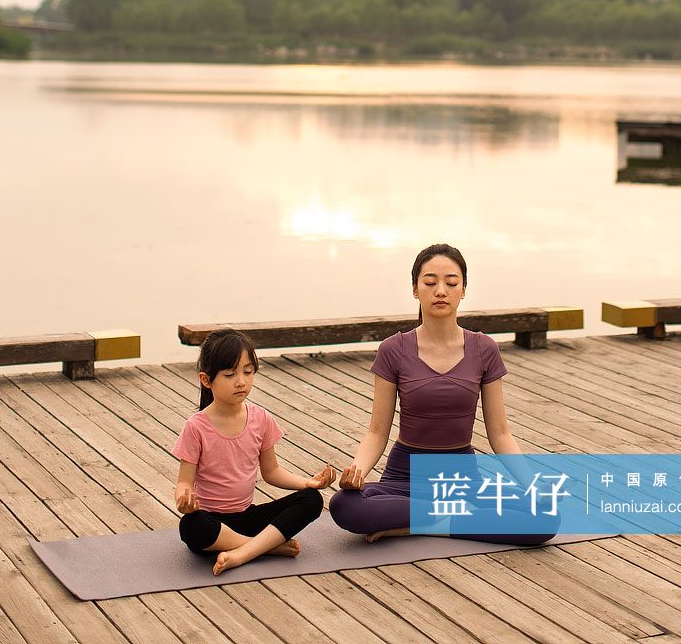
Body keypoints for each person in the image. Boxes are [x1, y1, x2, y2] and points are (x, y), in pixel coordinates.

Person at [329, 243, 554, 546]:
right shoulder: (393, 350)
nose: (440, 291)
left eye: (451, 282)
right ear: (415, 289)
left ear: (463, 290)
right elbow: (376, 432)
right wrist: (357, 472)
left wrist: (531, 484)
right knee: (344, 505)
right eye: (430, 282)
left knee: (545, 518)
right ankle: (453, 517)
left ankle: (417, 524)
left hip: (463, 482)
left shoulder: (484, 349)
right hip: (403, 480)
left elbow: (500, 433)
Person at [172, 328, 336, 574]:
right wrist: (184, 502)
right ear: (206, 380)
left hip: (249, 519)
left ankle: (244, 551)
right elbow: (184, 482)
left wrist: (307, 482)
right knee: (190, 526)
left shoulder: (261, 418)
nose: (241, 381)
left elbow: (272, 472)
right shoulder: (196, 427)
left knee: (312, 500)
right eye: (230, 374)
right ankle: (265, 547)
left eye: (248, 372)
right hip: (213, 524)